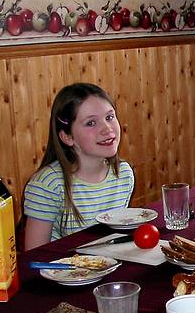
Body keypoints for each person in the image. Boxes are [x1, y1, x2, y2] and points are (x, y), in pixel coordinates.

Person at [22, 83, 134, 250]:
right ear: (67, 137)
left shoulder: (124, 174)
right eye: (91, 123)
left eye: (109, 117)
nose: (107, 128)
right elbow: (35, 255)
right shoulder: (49, 184)